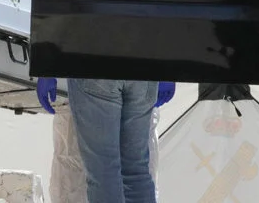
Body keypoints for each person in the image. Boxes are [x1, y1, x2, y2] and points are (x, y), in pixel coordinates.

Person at [38, 77, 176, 203]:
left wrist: (46, 70)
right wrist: (168, 70)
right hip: (144, 67)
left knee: (104, 171)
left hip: (95, 65)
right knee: (136, 170)